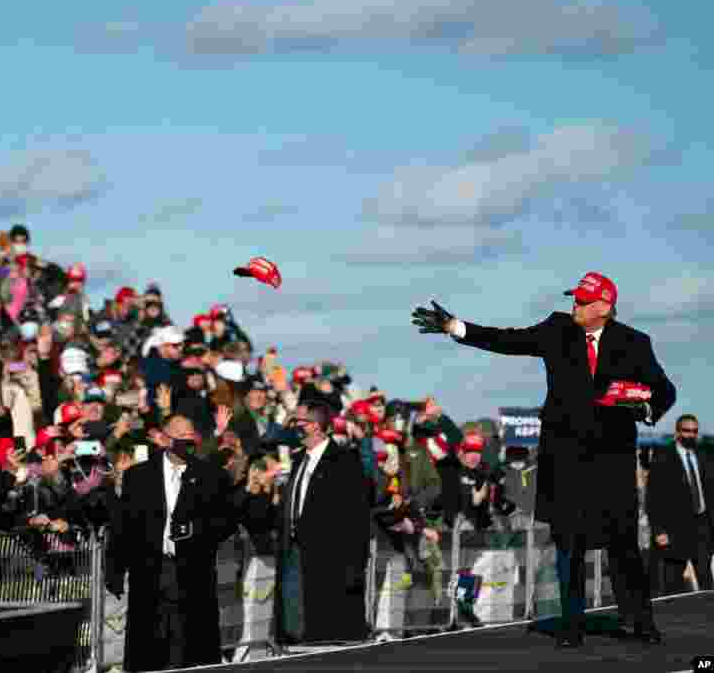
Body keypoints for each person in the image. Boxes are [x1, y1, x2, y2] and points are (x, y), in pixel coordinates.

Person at [412, 271, 676, 648]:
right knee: (568, 544)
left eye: (583, 301)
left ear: (604, 307)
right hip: (564, 458)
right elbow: (508, 340)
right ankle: (572, 626)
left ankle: (640, 622)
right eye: (575, 299)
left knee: (623, 544)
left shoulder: (635, 343)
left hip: (611, 460)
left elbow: (665, 390)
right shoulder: (556, 329)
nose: (575, 306)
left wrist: (647, 408)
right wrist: (456, 326)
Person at [105, 414, 239, 672]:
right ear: (165, 439)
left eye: (191, 440)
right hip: (150, 569)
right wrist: (115, 569)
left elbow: (228, 521)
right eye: (181, 439)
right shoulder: (139, 475)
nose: (187, 446)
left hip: (194, 569)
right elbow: (123, 526)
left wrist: (197, 530)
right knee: (150, 638)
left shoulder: (212, 476)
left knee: (190, 639)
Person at [263, 400, 370, 644]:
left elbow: (356, 520)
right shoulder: (300, 458)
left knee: (325, 636)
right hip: (293, 552)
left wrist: (354, 566)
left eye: (298, 421)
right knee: (293, 627)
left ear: (315, 426)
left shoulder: (344, 462)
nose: (293, 426)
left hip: (329, 563)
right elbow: (267, 441)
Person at [646, 414, 712, 594]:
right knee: (673, 585)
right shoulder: (663, 458)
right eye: (687, 431)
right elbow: (653, 498)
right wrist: (659, 530)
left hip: (702, 527)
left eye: (694, 431)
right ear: (677, 432)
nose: (691, 435)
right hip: (675, 529)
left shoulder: (704, 455)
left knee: (707, 581)